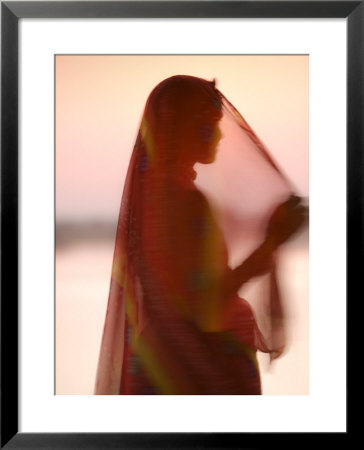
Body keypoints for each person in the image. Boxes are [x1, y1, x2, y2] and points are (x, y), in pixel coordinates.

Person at [95, 75, 307, 395]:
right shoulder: (183, 201)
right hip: (195, 371)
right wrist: (272, 241)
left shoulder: (154, 197)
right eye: (207, 123)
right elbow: (201, 303)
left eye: (217, 122)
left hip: (167, 363)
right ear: (176, 130)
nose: (220, 134)